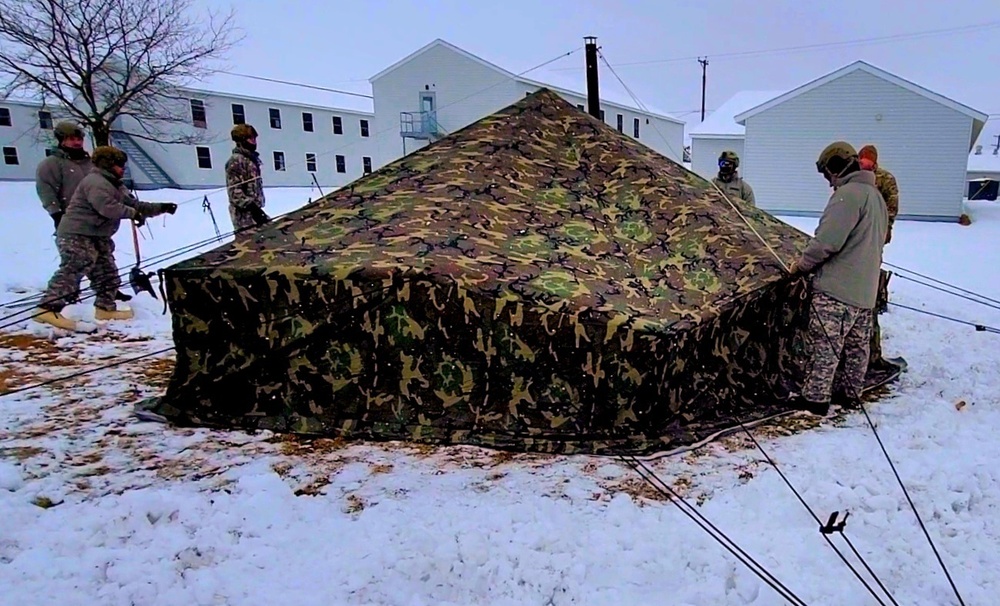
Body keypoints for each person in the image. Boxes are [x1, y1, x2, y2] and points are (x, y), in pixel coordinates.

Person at [787, 141, 888, 415]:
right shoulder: (876, 197)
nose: (829, 183)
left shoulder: (848, 196)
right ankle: (851, 394)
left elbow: (827, 242)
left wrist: (801, 266)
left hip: (837, 290)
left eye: (827, 175)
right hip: (866, 292)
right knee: (857, 349)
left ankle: (815, 399)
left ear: (835, 167)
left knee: (824, 346)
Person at [33, 146, 178, 332]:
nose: (122, 168)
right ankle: (47, 308)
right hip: (76, 233)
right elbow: (107, 207)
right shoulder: (96, 182)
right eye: (119, 165)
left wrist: (161, 208)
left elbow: (133, 204)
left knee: (107, 272)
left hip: (97, 235)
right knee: (75, 266)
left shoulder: (115, 184)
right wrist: (133, 214)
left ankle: (105, 308)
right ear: (108, 165)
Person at [858, 144, 901, 373]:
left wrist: (879, 231)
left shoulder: (885, 179)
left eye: (868, 163)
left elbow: (891, 210)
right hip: (855, 242)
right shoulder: (853, 178)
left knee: (867, 296)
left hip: (874, 240)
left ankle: (871, 352)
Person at [225, 123, 270, 231]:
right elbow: (235, 192)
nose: (254, 142)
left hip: (255, 212)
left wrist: (258, 210)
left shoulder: (251, 160)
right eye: (250, 138)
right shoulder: (235, 161)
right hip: (244, 216)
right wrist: (253, 209)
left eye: (254, 138)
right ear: (242, 141)